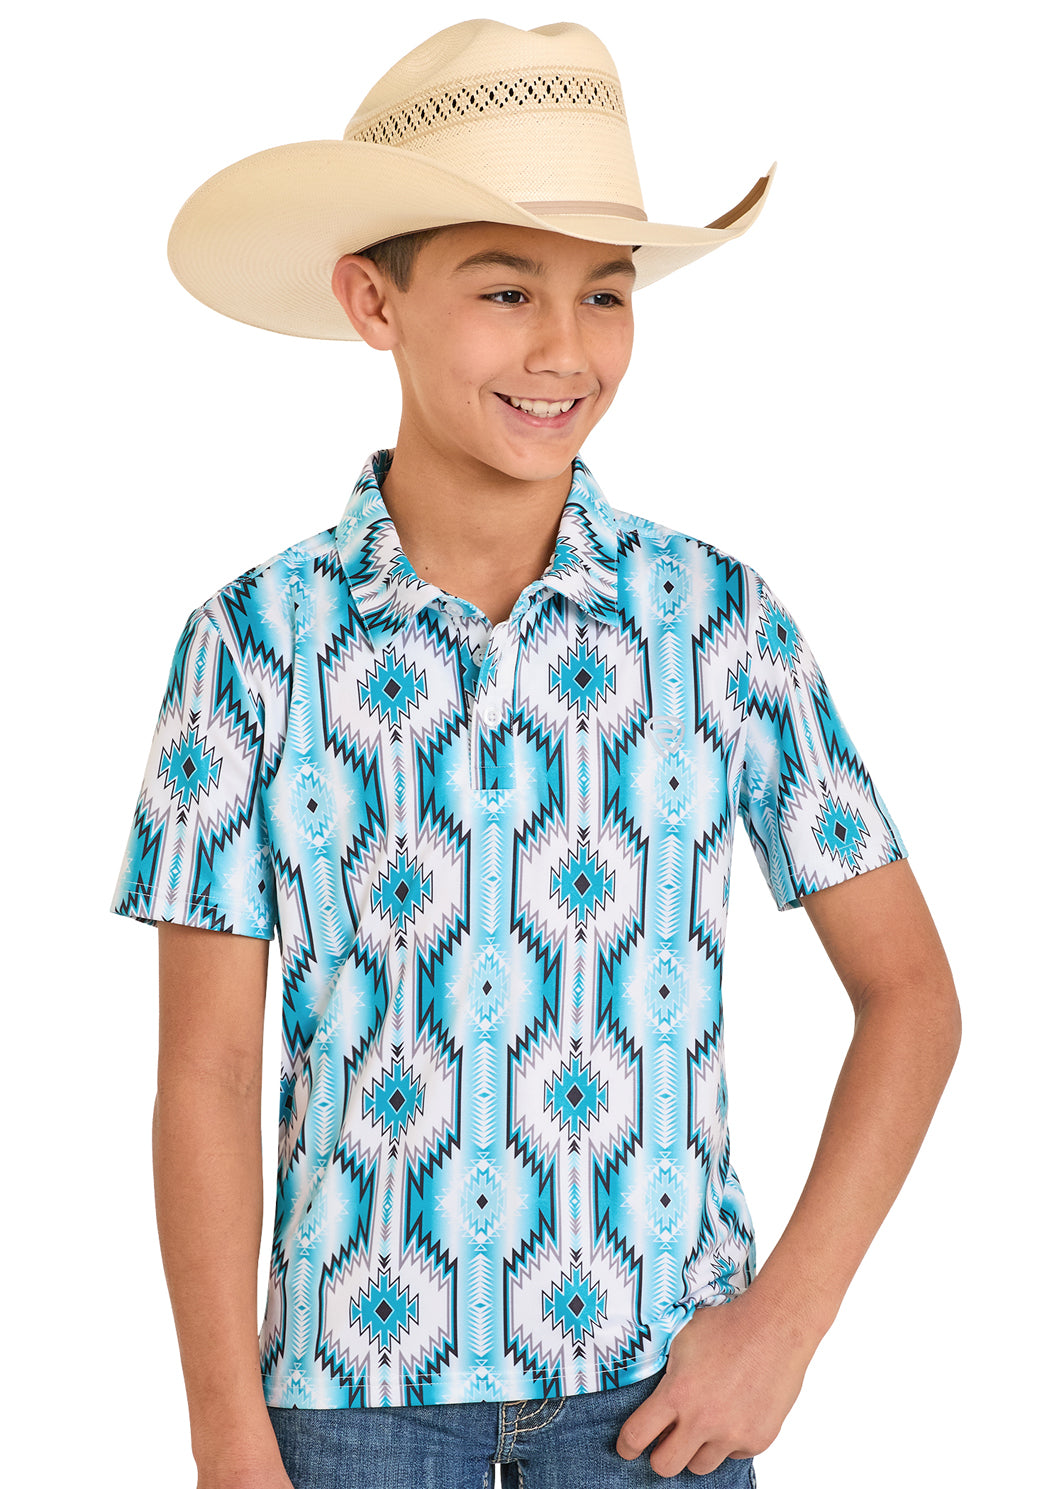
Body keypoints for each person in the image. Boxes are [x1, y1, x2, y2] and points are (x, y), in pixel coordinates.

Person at [112, 19, 960, 1488]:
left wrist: (787, 1321)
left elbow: (911, 992)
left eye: (606, 295)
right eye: (506, 291)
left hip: (654, 1401)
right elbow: (210, 1070)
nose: (565, 350)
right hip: (349, 1398)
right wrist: (221, 1428)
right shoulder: (250, 648)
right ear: (372, 300)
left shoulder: (717, 625)